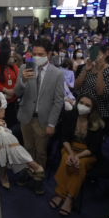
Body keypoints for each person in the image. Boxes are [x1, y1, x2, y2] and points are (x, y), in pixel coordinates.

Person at [0, 74, 44, 190]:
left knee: (2, 136)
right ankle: (29, 162)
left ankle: (2, 173)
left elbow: (2, 114)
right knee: (1, 132)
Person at [14, 39, 65, 194]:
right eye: (34, 54)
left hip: (43, 119)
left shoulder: (57, 73)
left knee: (41, 151)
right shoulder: (24, 67)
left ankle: (38, 177)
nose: (36, 57)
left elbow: (58, 101)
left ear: (49, 54)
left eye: (40, 54)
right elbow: (17, 92)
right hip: (26, 116)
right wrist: (22, 80)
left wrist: (52, 124)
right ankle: (29, 172)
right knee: (27, 147)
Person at [50, 95, 104, 217]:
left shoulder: (98, 123)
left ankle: (69, 198)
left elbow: (94, 148)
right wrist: (70, 154)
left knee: (80, 164)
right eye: (81, 102)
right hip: (69, 148)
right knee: (65, 159)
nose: (83, 106)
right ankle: (60, 193)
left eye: (87, 105)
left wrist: (78, 157)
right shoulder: (69, 116)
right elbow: (64, 138)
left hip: (87, 153)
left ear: (92, 109)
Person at [75, 45, 109, 121]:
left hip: (99, 110)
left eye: (97, 55)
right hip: (82, 106)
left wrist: (100, 71)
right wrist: (86, 70)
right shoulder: (87, 66)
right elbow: (76, 86)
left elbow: (100, 92)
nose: (95, 57)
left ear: (105, 55)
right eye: (92, 54)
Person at [0, 48, 19, 128]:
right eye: (10, 57)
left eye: (13, 57)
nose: (13, 59)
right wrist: (6, 91)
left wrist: (14, 90)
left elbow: (18, 78)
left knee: (12, 122)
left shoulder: (13, 67)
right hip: (0, 99)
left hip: (13, 99)